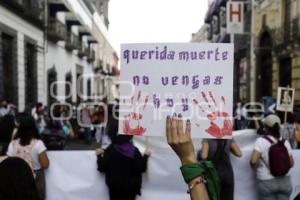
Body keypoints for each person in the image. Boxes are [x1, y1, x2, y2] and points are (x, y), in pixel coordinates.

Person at [96, 116, 150, 200]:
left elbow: (101, 167)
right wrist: (146, 156)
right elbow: (141, 168)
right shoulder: (134, 150)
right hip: (131, 189)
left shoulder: (110, 150)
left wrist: (99, 156)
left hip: (114, 189)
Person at [166, 114, 212, 200]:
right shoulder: (227, 139)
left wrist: (188, 158)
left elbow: (204, 156)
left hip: (212, 174)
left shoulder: (207, 140)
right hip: (224, 172)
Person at [250, 114, 294, 200]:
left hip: (266, 181)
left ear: (265, 127)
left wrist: (256, 170)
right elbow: (291, 163)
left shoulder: (261, 141)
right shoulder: (285, 142)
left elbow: (253, 161)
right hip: (285, 181)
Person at [6, 114, 49, 200]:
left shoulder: (12, 144)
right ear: (34, 127)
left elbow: (9, 162)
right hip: (35, 178)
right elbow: (45, 164)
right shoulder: (38, 144)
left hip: (16, 177)